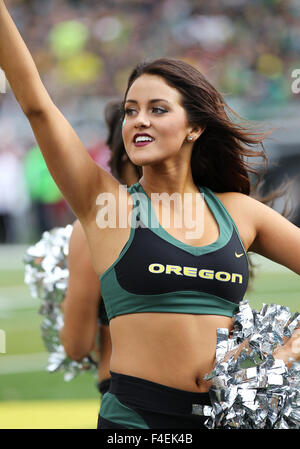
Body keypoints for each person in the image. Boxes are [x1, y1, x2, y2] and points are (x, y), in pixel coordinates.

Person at [1, 1, 300, 429]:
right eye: (130, 110)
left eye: (157, 109)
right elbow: (37, 105)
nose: (139, 120)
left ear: (194, 127)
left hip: (225, 421)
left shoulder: (240, 212)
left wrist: (285, 354)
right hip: (136, 424)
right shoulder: (107, 206)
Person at [60, 100, 141, 398]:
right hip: (207, 402)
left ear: (117, 153)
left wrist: (65, 302)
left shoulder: (100, 223)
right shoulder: (216, 213)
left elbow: (76, 345)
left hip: (125, 393)